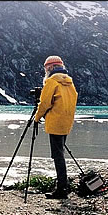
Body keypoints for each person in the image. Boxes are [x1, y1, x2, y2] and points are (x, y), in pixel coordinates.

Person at [34, 55, 78, 199]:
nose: (45, 70)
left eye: (46, 68)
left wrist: (37, 118)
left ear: (51, 67)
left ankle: (61, 189)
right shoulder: (69, 83)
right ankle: (63, 185)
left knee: (58, 156)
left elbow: (45, 103)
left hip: (55, 123)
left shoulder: (52, 82)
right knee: (60, 154)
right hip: (66, 122)